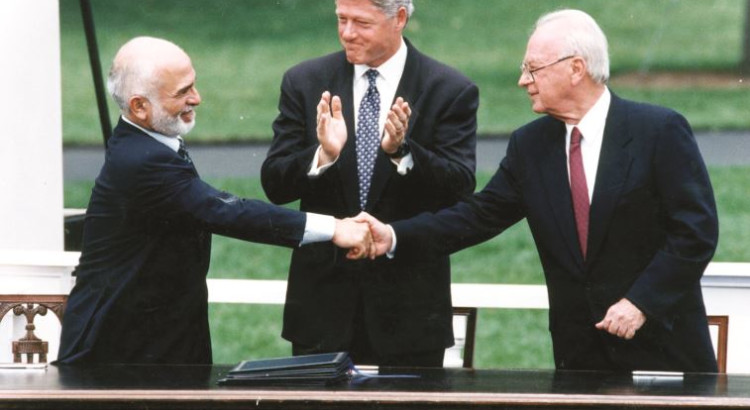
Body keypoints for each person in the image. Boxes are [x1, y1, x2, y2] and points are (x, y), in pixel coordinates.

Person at [360, 9, 719, 372]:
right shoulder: (530, 146)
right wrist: (393, 236)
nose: (522, 81)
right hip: (580, 360)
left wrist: (640, 303)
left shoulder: (658, 131)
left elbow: (696, 231)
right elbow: (477, 216)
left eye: (533, 69)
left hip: (662, 350)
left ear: (576, 69)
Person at [56, 36, 372, 365]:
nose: (197, 98)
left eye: (193, 85)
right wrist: (335, 229)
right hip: (119, 351)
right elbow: (225, 211)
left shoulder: (147, 141)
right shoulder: (143, 160)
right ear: (139, 106)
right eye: (182, 92)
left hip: (159, 340)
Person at [260, 0, 479, 367]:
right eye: (341, 19)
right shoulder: (305, 81)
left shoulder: (448, 89)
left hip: (411, 314)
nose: (347, 33)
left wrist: (403, 152)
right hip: (321, 312)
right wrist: (323, 155)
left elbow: (459, 188)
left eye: (361, 23)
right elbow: (275, 185)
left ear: (400, 18)